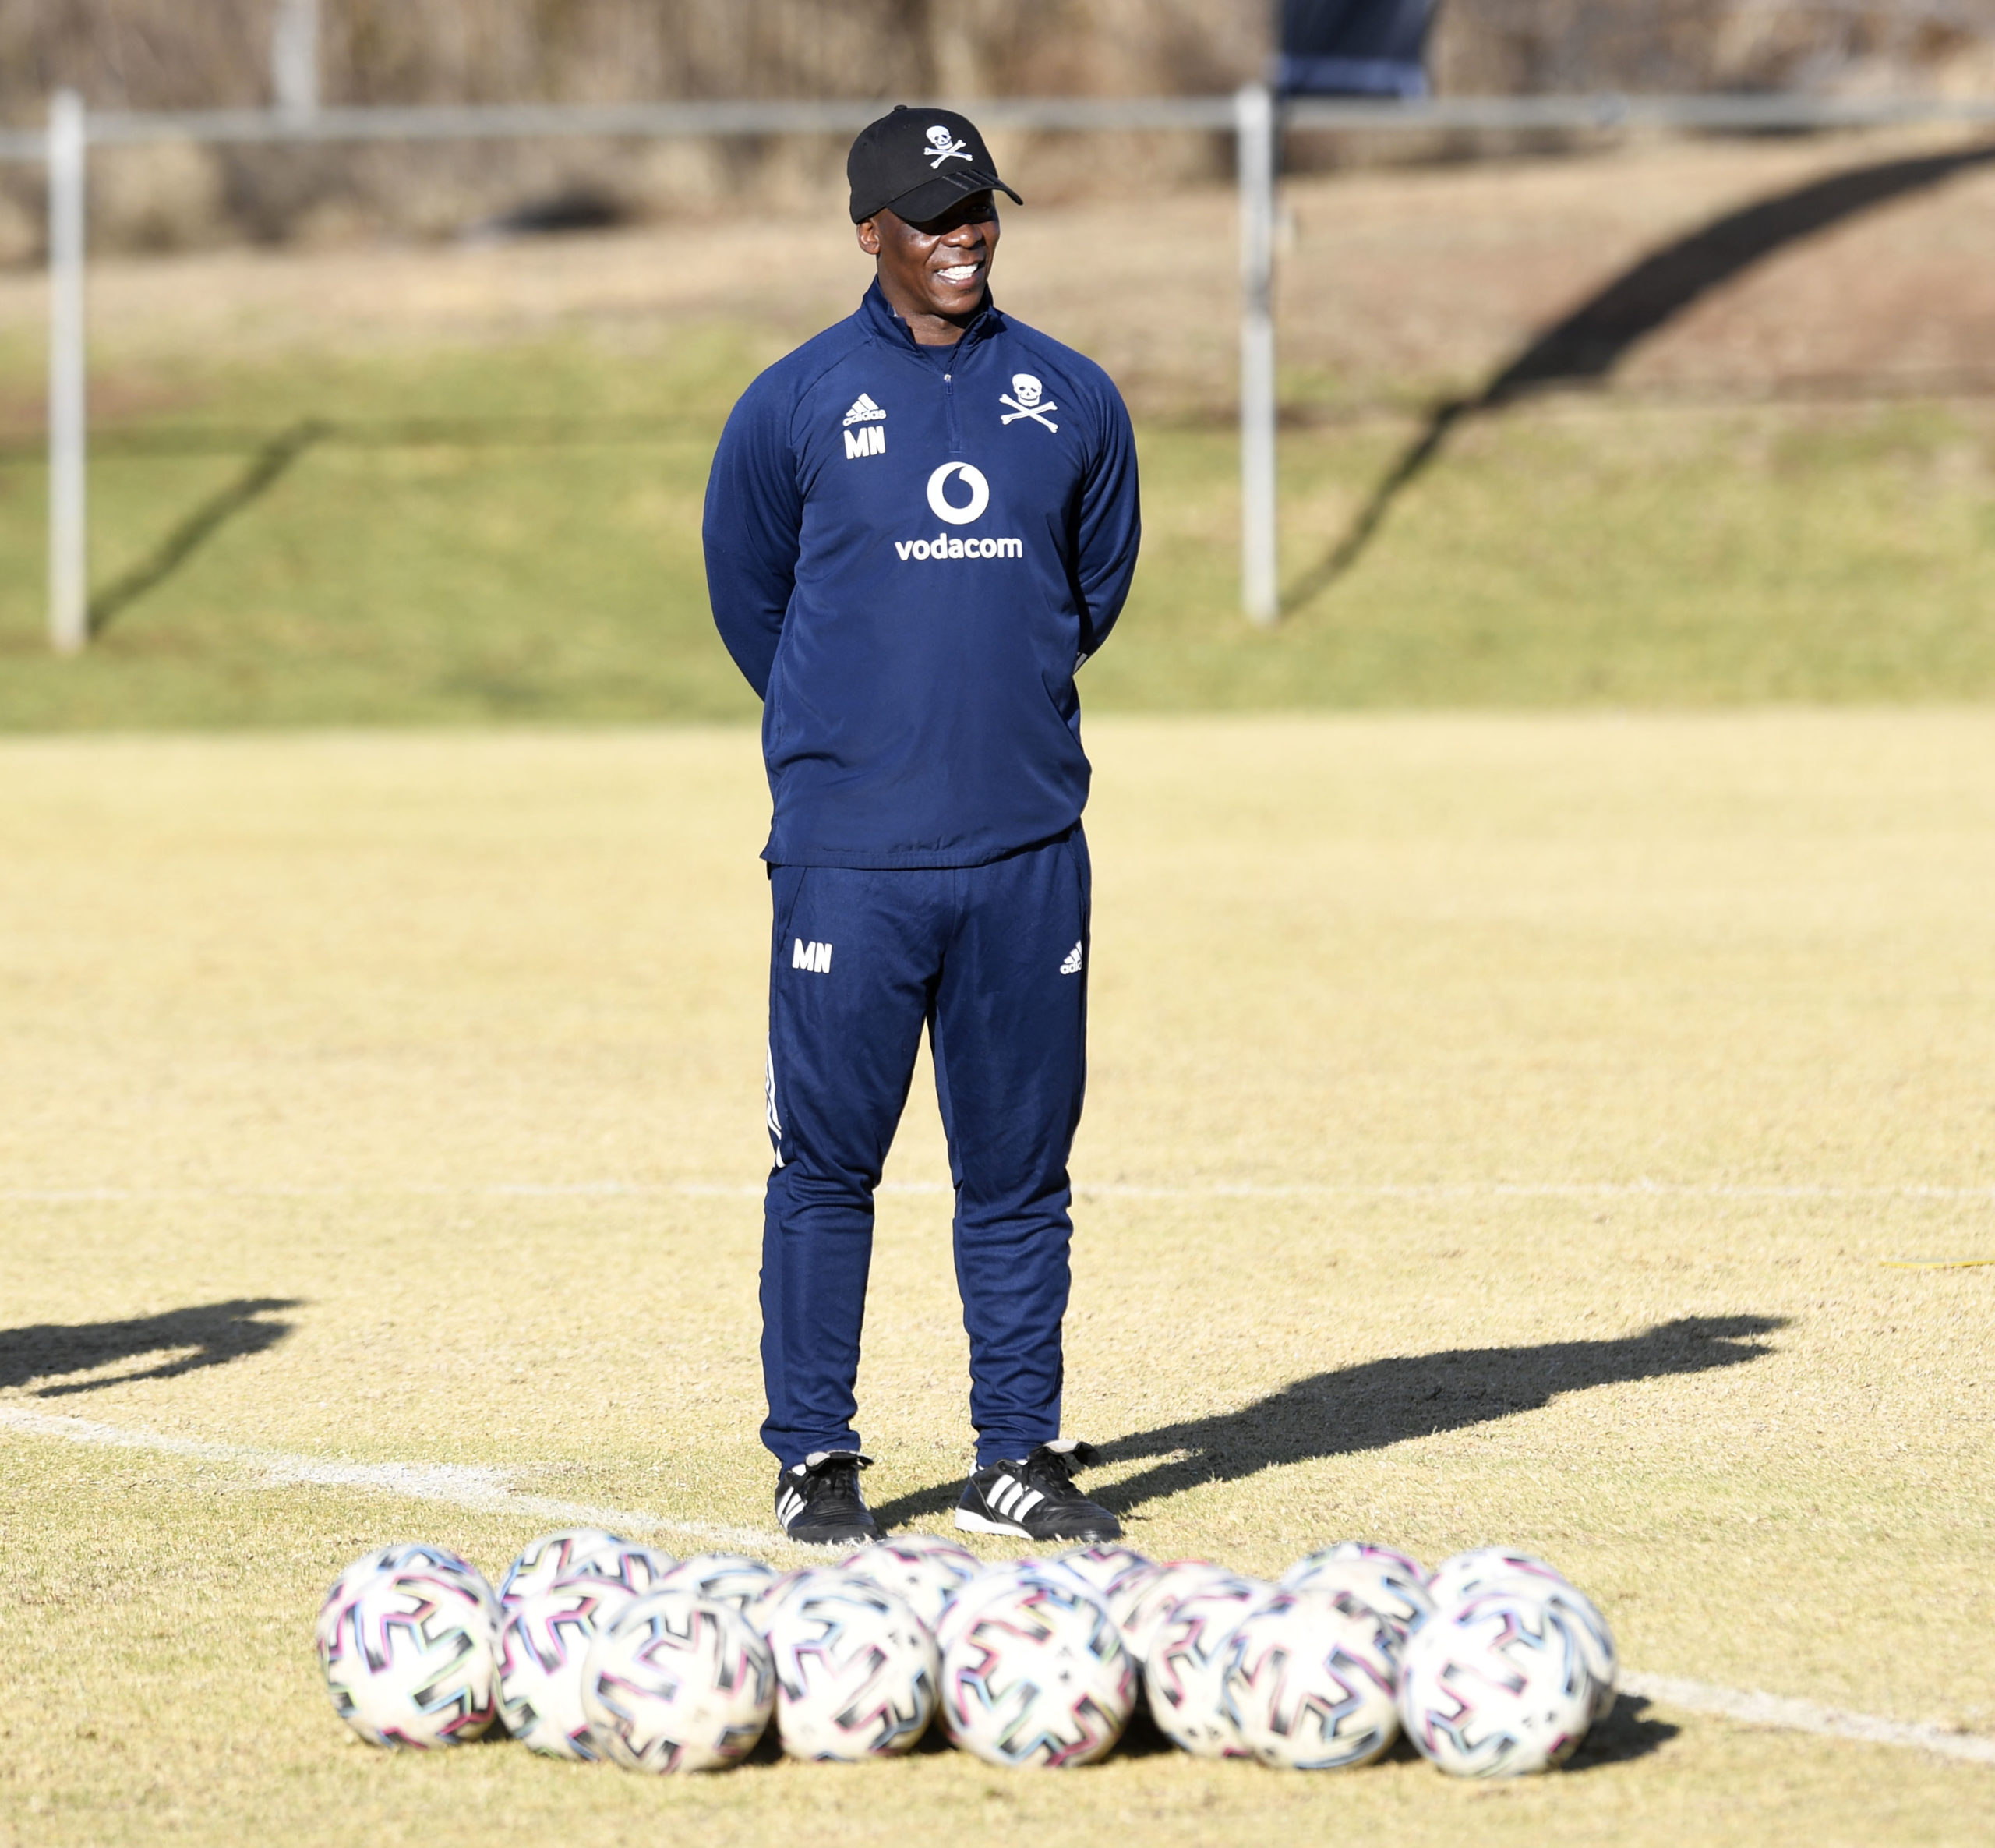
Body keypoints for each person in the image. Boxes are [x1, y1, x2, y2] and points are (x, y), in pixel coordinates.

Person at [703, 104, 1140, 1545]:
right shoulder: (795, 404)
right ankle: (816, 1457)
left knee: (1018, 1171)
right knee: (829, 1166)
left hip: (1025, 854)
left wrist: (982, 715)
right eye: (934, 217)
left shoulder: (1071, 399)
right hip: (850, 861)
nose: (965, 237)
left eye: (980, 212)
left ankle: (1020, 1451)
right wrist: (867, 737)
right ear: (869, 233)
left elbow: (1088, 600)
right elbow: (752, 603)